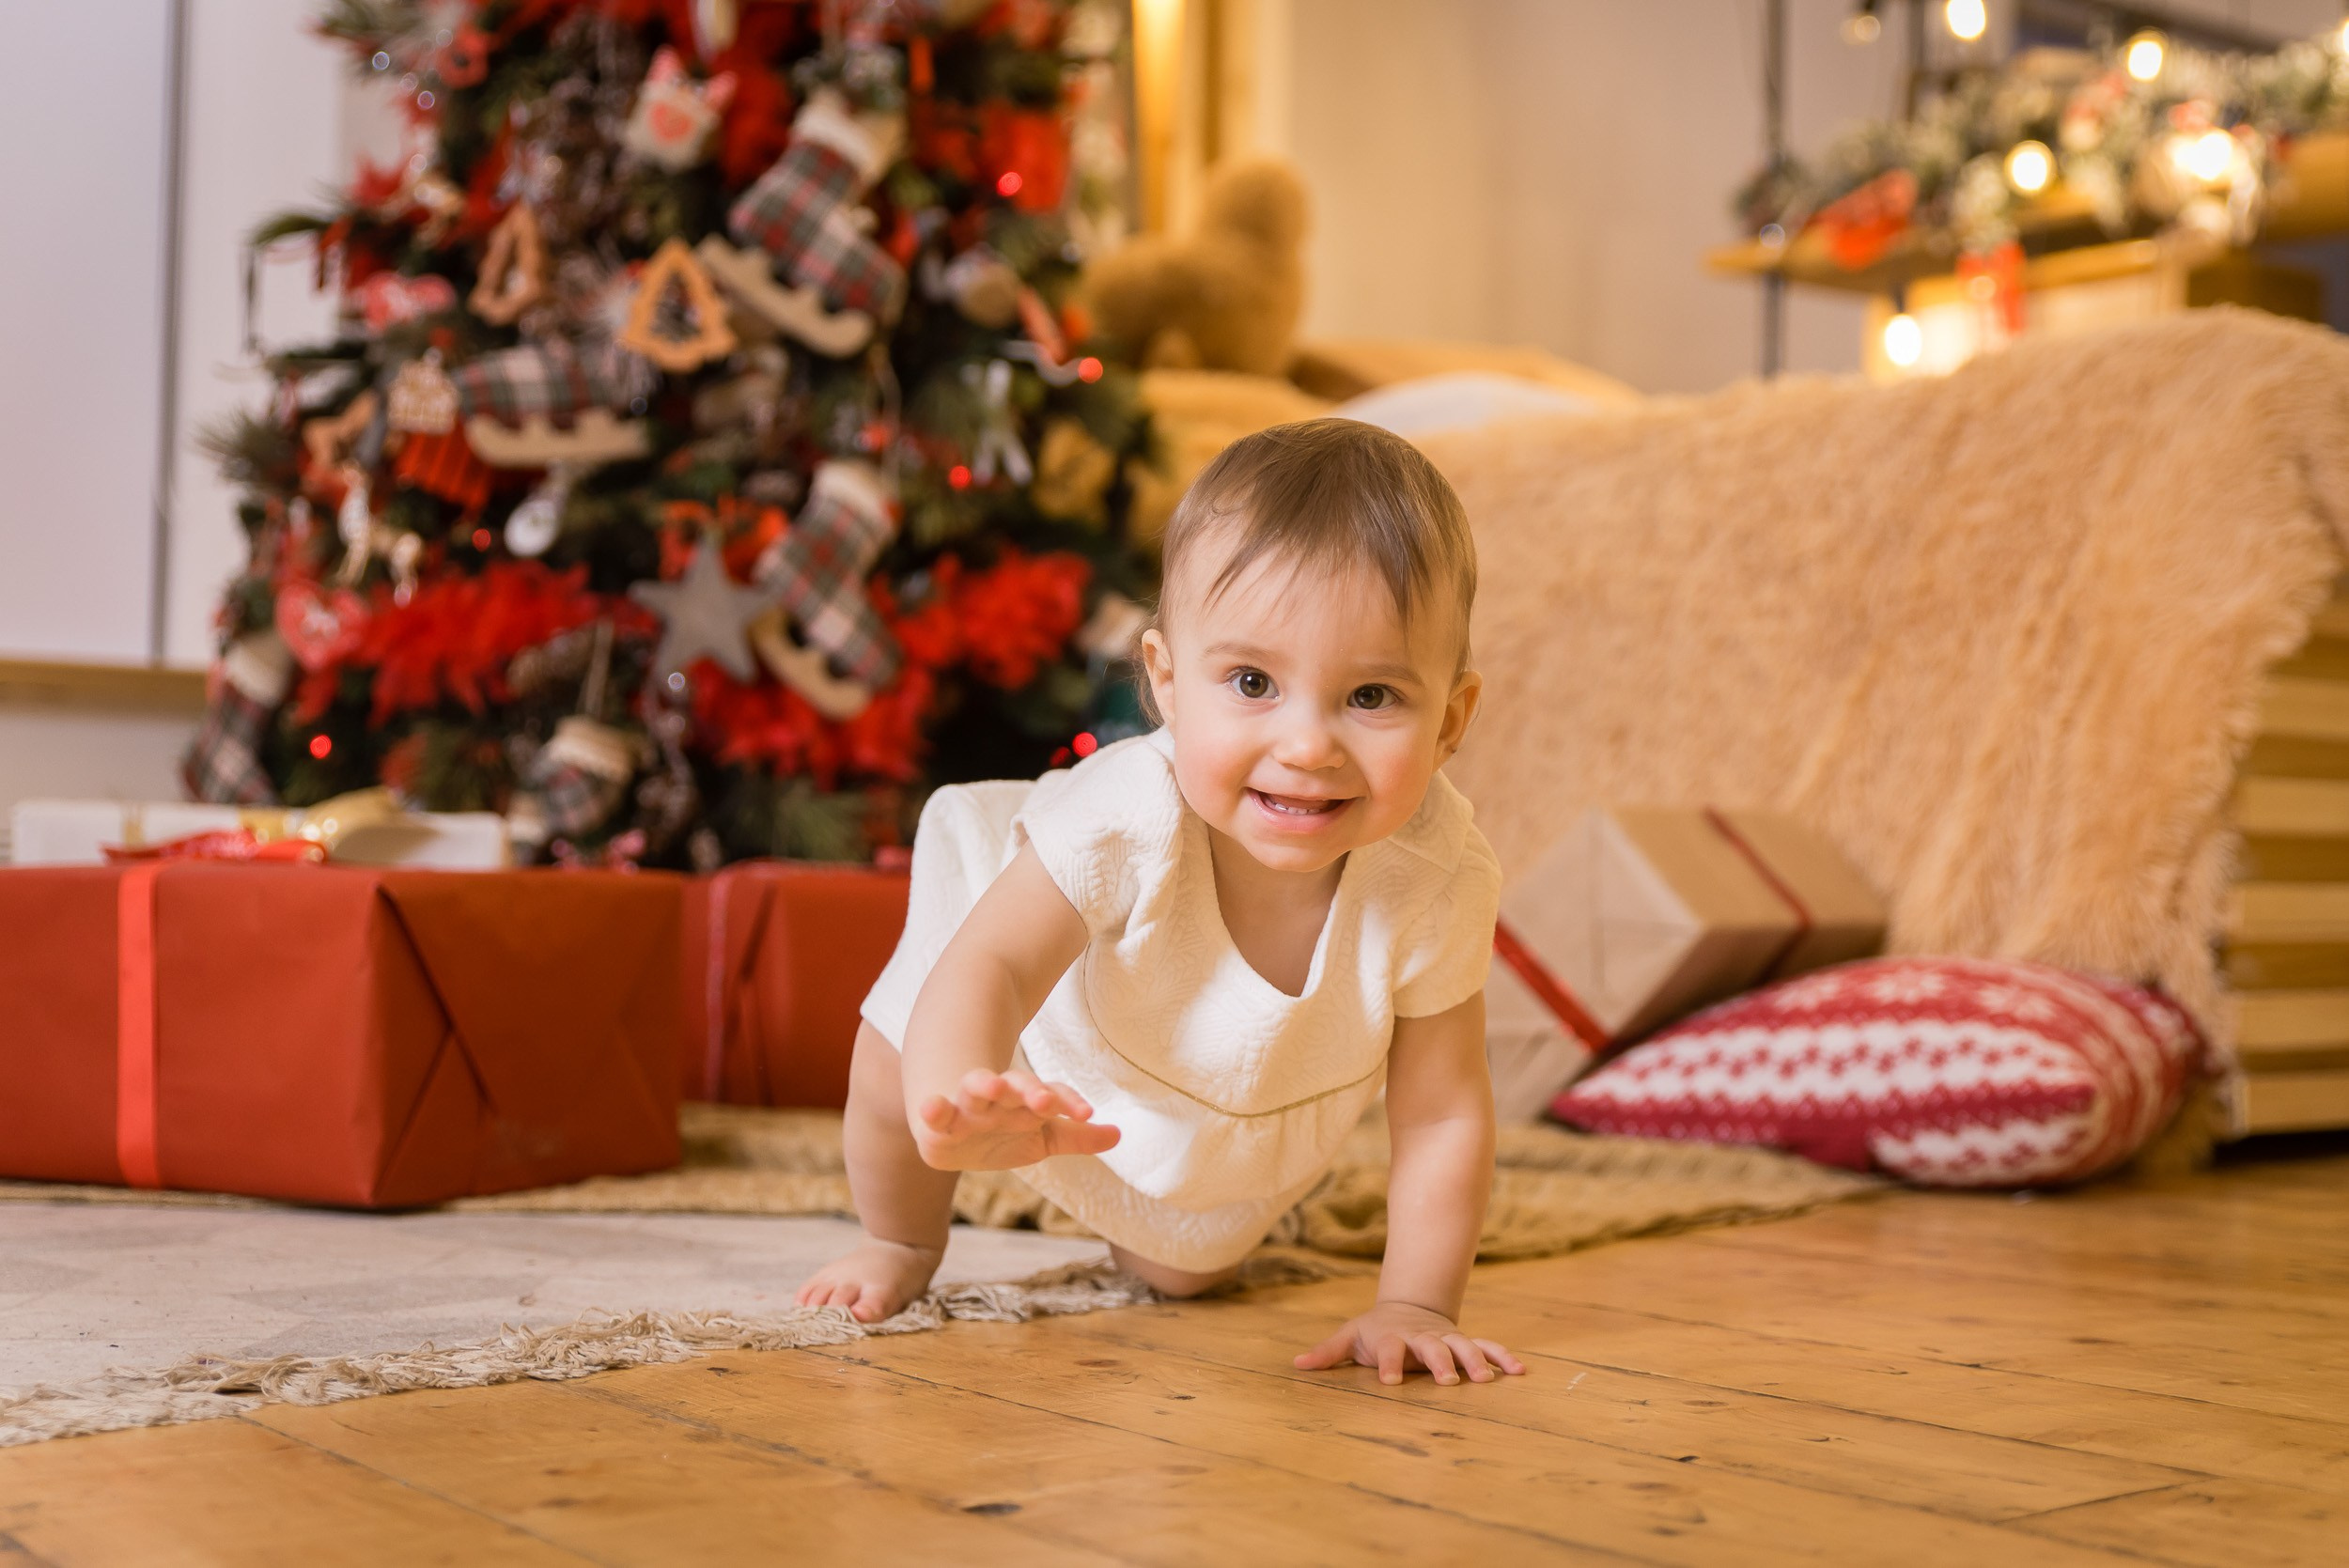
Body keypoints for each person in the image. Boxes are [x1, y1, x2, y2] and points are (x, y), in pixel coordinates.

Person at [798, 418, 1525, 1388]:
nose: (1308, 745)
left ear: (1451, 719)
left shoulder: (1436, 874)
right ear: (1168, 684)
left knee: (1182, 1273)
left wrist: (1415, 1303)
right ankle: (899, 1239)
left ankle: (1155, 1227)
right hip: (1040, 1041)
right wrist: (956, 1093)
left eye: (1372, 695)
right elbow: (994, 965)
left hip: (1225, 1099)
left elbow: (1440, 1114)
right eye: (1253, 681)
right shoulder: (1127, 810)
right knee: (897, 1056)